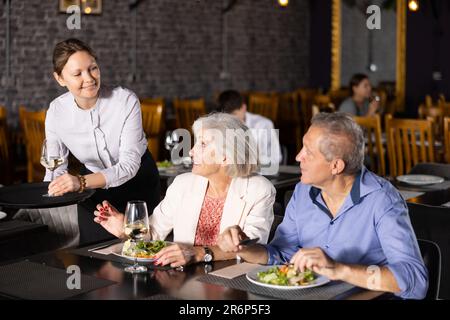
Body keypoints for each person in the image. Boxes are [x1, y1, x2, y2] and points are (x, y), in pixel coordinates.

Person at [217, 112, 428, 300]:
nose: (298, 156)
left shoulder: (382, 200)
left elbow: (415, 281)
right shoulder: (303, 191)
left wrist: (338, 269)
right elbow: (280, 254)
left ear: (336, 166)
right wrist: (244, 247)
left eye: (308, 152)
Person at [94, 113, 275, 268]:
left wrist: (198, 253)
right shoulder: (182, 184)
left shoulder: (259, 190)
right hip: (183, 280)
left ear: (226, 156)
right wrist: (124, 229)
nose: (191, 152)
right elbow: (154, 232)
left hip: (232, 284)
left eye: (202, 144)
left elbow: (251, 250)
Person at [44, 38, 160, 244]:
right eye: (77, 73)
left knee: (142, 247)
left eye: (93, 68)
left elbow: (129, 166)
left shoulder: (125, 100)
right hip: (92, 190)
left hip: (137, 182)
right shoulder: (56, 111)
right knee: (95, 255)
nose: (89, 78)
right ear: (60, 78)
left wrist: (79, 182)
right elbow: (56, 167)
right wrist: (50, 194)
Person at [217, 90, 282, 166]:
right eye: (227, 117)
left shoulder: (264, 125)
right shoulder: (221, 124)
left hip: (260, 171)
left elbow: (276, 158)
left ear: (244, 108)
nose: (231, 121)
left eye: (234, 115)